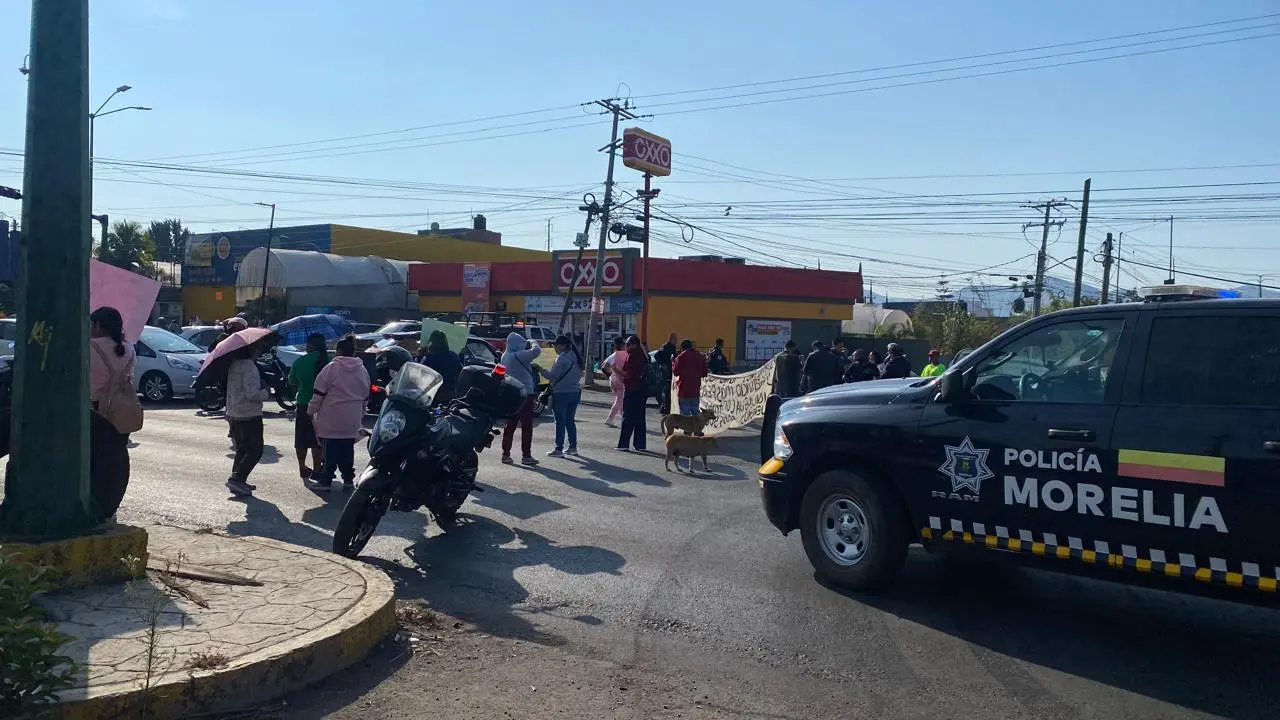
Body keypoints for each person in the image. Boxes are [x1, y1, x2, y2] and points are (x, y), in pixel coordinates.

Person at [89, 307, 136, 523]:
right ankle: (109, 506)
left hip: (94, 410)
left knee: (91, 460)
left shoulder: (90, 347)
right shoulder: (129, 349)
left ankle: (91, 504)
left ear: (98, 325)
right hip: (119, 410)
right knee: (114, 461)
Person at [306, 335, 370, 491]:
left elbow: (318, 393)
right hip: (352, 418)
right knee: (348, 450)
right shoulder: (362, 370)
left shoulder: (331, 368)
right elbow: (365, 396)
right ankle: (348, 479)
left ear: (338, 351)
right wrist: (361, 413)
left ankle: (326, 480)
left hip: (332, 417)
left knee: (330, 452)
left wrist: (311, 410)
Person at [225, 342, 271, 497]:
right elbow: (252, 394)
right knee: (255, 449)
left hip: (235, 412)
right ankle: (237, 478)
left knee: (242, 449)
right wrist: (265, 392)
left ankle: (238, 479)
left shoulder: (233, 365)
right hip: (249, 413)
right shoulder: (249, 367)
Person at [288, 333, 328, 481]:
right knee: (318, 440)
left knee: (302, 438)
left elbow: (292, 382)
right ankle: (317, 468)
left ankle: (302, 467)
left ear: (311, 345)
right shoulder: (329, 361)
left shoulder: (300, 362)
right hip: (324, 405)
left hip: (304, 403)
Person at [500, 331, 542, 466]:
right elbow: (536, 351)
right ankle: (526, 455)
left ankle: (506, 454)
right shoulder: (519, 355)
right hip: (526, 393)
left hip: (511, 393)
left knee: (510, 424)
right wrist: (533, 341)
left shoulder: (505, 356)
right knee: (526, 425)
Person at [545, 335, 583, 458]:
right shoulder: (576, 358)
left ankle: (558, 449)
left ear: (562, 346)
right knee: (570, 421)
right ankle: (573, 447)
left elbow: (553, 376)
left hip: (561, 393)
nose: (554, 348)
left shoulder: (561, 359)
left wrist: (540, 370)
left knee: (560, 422)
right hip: (575, 392)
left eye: (555, 345)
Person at [616, 335, 650, 451]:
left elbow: (628, 374)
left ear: (634, 344)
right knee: (640, 418)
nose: (626, 346)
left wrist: (614, 369)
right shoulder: (643, 355)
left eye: (628, 344)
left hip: (632, 388)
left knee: (628, 417)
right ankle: (640, 445)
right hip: (642, 389)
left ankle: (624, 444)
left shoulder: (632, 356)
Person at [418, 330, 463, 404]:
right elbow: (460, 373)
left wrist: (420, 356)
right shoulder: (454, 356)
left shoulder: (429, 357)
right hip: (449, 395)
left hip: (432, 395)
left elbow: (419, 374)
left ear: (432, 342)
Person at [672, 338, 708, 416]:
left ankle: (686, 428)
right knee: (696, 414)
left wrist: (673, 362)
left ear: (682, 348)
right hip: (695, 390)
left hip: (684, 390)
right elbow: (704, 373)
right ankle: (696, 428)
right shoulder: (699, 356)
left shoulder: (681, 357)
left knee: (685, 415)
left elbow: (675, 372)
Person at [602, 336, 626, 428]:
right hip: (621, 379)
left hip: (614, 378)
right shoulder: (624, 354)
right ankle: (610, 419)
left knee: (620, 399)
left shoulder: (614, 355)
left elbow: (604, 366)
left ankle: (623, 417)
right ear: (622, 345)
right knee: (620, 400)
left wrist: (610, 374)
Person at [653, 333, 678, 414]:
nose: (676, 341)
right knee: (666, 389)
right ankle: (664, 407)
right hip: (666, 371)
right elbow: (657, 356)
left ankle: (668, 406)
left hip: (671, 370)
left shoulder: (673, 347)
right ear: (671, 339)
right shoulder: (665, 347)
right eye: (675, 339)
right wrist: (662, 365)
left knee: (669, 389)